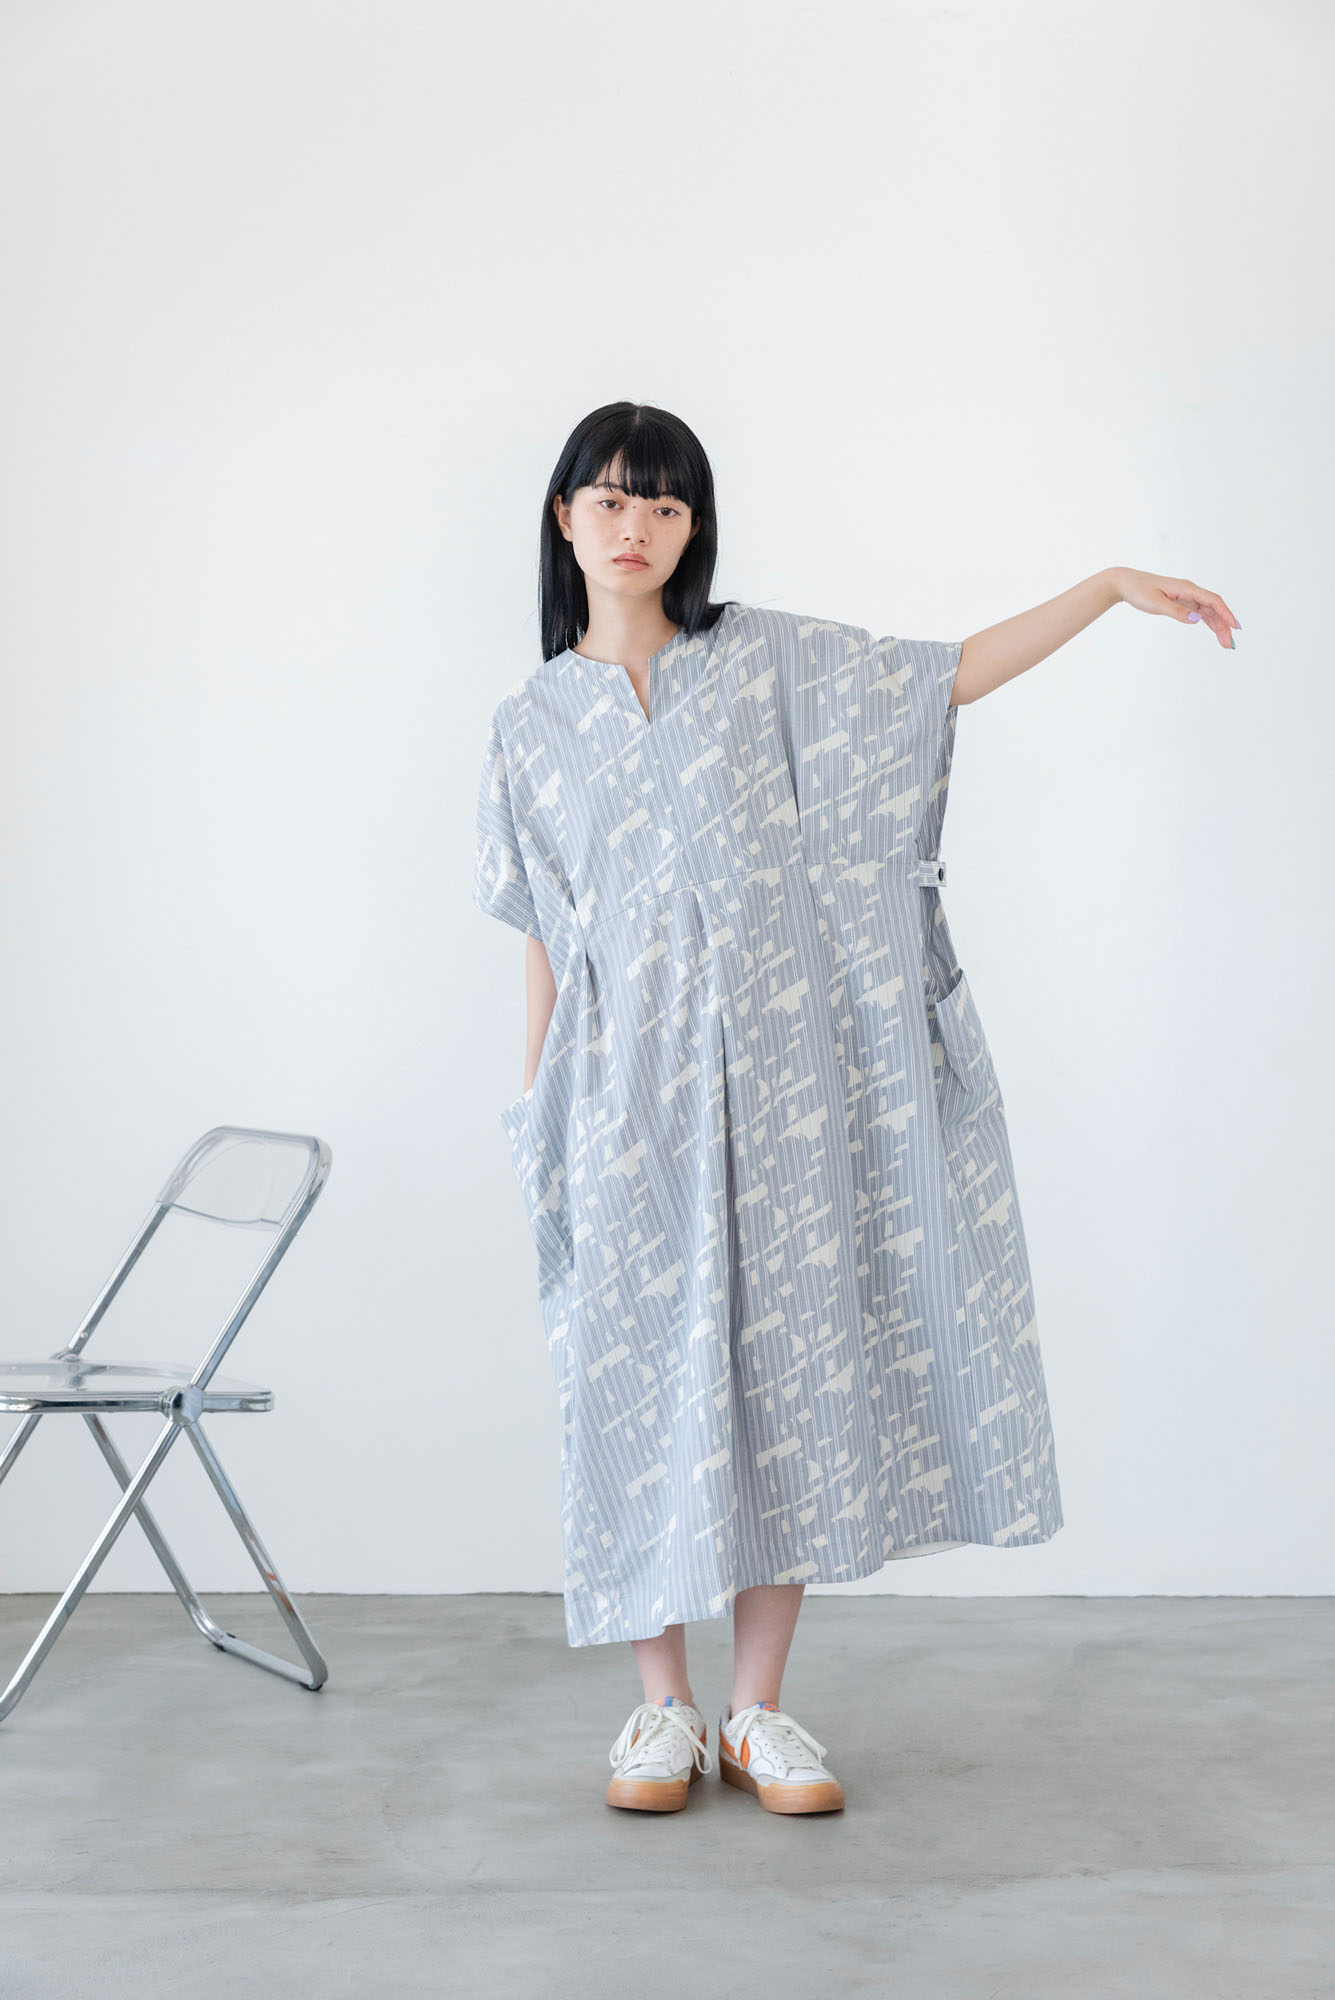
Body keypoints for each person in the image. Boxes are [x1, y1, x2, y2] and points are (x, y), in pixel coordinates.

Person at [472, 399, 1239, 1817]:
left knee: (787, 1375)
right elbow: (543, 935)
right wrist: (536, 1115)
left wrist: (1104, 589)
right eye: (611, 498)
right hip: (621, 1099)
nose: (636, 526)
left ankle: (758, 1712)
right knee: (634, 1390)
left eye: (666, 503)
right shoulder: (529, 727)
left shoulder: (760, 660)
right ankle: (661, 1710)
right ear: (564, 517)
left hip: (783, 1089)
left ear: (694, 528)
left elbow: (941, 681)